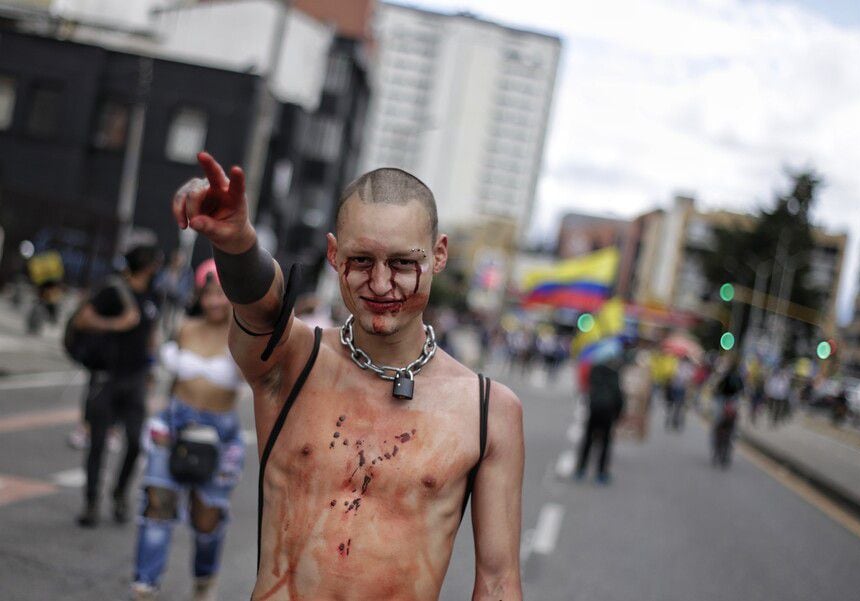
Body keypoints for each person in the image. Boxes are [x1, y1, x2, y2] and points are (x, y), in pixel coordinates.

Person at [171, 152, 524, 600]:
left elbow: (497, 582)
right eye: (360, 261)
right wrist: (236, 242)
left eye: (401, 263)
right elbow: (262, 305)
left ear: (438, 255)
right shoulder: (292, 360)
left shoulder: (489, 412)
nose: (380, 284)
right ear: (334, 255)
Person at [131, 259, 245, 601]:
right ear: (200, 294)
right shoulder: (184, 327)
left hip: (220, 435)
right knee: (157, 504)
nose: (215, 302)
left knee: (207, 519)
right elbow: (169, 381)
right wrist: (158, 421)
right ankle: (144, 585)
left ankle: (203, 582)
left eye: (223, 294)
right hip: (175, 423)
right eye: (209, 293)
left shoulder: (243, 337)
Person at [73, 244, 161, 527]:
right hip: (106, 378)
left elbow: (151, 332)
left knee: (136, 442)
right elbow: (82, 319)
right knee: (97, 443)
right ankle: (91, 504)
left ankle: (120, 493)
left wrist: (152, 365)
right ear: (147, 265)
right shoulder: (112, 291)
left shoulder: (153, 295)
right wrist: (117, 324)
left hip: (135, 379)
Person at [575, 360, 624, 485]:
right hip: (608, 412)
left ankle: (581, 469)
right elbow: (618, 395)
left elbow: (587, 388)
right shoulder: (614, 373)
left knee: (588, 440)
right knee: (605, 443)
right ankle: (601, 473)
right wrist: (618, 414)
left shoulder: (594, 370)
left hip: (595, 409)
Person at [712, 358, 743, 468]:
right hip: (725, 402)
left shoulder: (735, 377)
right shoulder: (730, 376)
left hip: (728, 402)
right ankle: (719, 444)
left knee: (724, 426)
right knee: (720, 424)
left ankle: (722, 444)